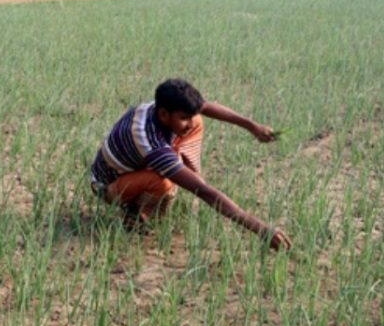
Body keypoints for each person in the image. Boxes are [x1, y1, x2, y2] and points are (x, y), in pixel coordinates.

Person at [90, 78, 292, 250]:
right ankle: (136, 216)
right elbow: (204, 191)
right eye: (183, 118)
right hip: (109, 185)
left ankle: (184, 173)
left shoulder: (161, 108)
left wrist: (251, 126)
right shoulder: (149, 141)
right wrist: (261, 229)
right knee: (163, 184)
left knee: (197, 122)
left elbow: (205, 108)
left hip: (138, 165)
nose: (187, 121)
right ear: (163, 114)